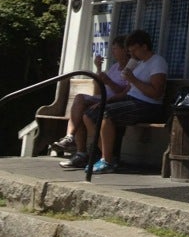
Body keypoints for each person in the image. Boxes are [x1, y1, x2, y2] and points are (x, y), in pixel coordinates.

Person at [83, 29, 168, 174]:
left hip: (148, 105)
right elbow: (127, 91)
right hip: (131, 100)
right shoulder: (139, 63)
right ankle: (107, 155)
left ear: (144, 46)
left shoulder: (157, 62)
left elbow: (156, 93)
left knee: (107, 114)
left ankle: (107, 160)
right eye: (130, 51)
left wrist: (133, 79)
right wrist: (107, 100)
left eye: (134, 50)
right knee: (90, 114)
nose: (132, 55)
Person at [55, 36, 130, 169]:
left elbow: (124, 93)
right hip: (102, 98)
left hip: (114, 101)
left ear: (125, 50)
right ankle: (72, 139)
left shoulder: (131, 69)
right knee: (79, 101)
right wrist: (99, 69)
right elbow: (99, 90)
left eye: (115, 48)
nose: (112, 51)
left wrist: (108, 82)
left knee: (84, 113)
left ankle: (87, 153)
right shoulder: (114, 67)